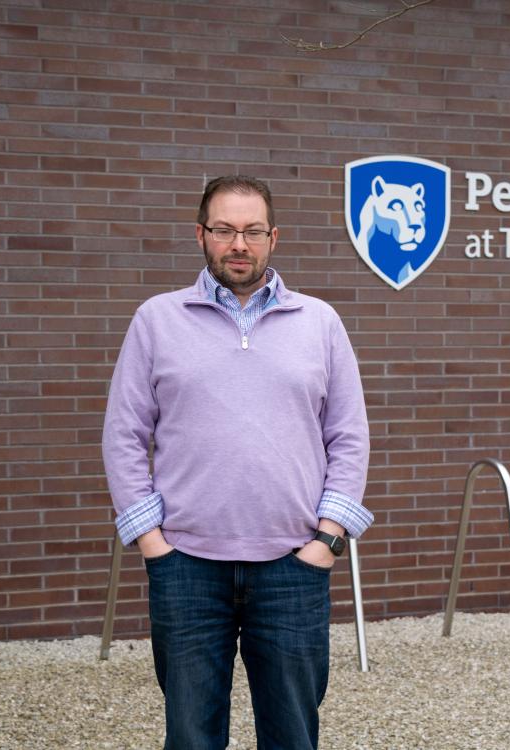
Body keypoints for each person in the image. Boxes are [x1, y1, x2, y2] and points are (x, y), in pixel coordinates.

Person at [102, 175, 372, 750]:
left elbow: (348, 437)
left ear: (274, 238)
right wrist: (152, 542)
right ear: (200, 235)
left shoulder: (319, 322)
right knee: (192, 736)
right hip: (188, 569)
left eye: (252, 231)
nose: (239, 244)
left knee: (293, 735)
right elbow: (124, 435)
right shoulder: (157, 320)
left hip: (293, 569)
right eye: (224, 230)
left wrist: (327, 541)